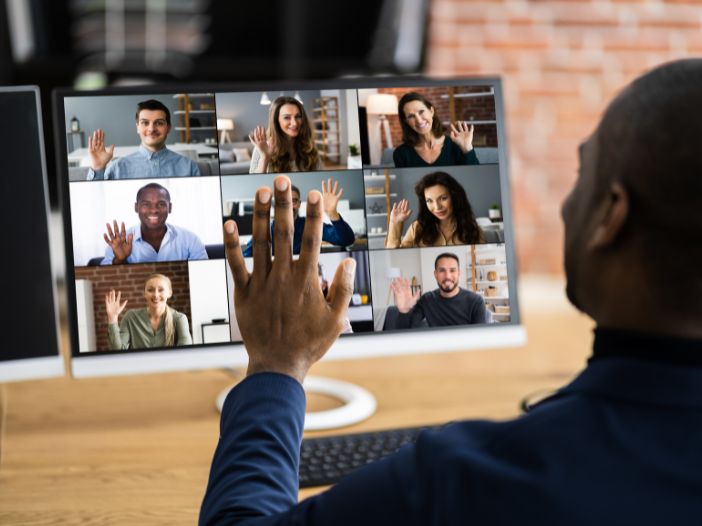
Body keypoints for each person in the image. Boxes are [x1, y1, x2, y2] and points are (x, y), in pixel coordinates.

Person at [200, 60, 702, 525]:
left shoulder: (465, 479)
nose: (567, 207)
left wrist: (276, 366)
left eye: (580, 176)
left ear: (610, 216)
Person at [86, 99, 201, 180]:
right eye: (145, 123)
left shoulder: (189, 167)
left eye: (159, 123)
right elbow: (92, 201)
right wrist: (97, 168)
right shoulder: (117, 168)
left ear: (168, 128)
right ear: (137, 127)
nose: (151, 129)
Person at [101, 182, 208, 265]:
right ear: (136, 207)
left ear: (169, 208)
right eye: (146, 204)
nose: (154, 210)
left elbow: (205, 273)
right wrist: (118, 261)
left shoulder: (190, 239)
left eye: (161, 204)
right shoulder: (119, 242)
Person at [242, 179, 355, 256]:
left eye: (294, 201)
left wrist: (332, 213)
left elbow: (347, 240)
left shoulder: (312, 226)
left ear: (299, 204)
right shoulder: (264, 231)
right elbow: (246, 257)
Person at [385, 171, 484, 248]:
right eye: (429, 201)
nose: (437, 207)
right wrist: (395, 223)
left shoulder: (474, 230)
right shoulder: (417, 228)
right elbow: (394, 257)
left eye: (443, 198)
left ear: (454, 197)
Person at [389, 252, 486, 328]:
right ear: (435, 274)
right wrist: (404, 311)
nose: (447, 276)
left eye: (452, 270)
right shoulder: (427, 299)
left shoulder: (476, 301)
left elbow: (480, 340)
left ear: (459, 273)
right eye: (442, 270)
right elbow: (405, 331)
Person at [104, 273, 192, 350]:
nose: (156, 295)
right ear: (145, 294)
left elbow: (185, 354)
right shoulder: (131, 317)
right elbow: (118, 350)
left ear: (169, 293)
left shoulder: (179, 319)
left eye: (161, 290)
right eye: (150, 290)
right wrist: (112, 318)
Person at [392, 91, 479, 168]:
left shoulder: (456, 145)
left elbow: (477, 177)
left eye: (421, 112)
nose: (419, 120)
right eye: (411, 116)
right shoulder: (401, 154)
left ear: (431, 111)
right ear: (406, 122)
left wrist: (467, 148)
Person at [248, 96, 323, 173]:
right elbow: (254, 184)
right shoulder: (262, 148)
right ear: (276, 121)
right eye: (287, 117)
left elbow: (321, 177)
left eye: (298, 116)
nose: (294, 123)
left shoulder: (309, 147)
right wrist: (265, 158)